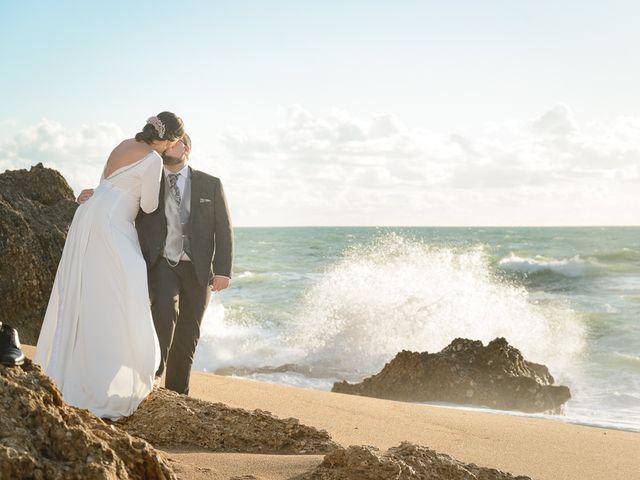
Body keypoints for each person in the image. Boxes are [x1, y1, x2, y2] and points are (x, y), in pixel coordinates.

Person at [35, 112, 185, 419]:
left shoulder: (123, 144)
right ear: (169, 139)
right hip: (112, 225)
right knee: (123, 293)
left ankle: (83, 371)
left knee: (90, 292)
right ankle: (105, 377)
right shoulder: (153, 161)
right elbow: (148, 206)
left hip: (89, 213)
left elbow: (105, 183)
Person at [77, 132, 233, 395]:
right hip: (163, 264)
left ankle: (177, 393)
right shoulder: (148, 180)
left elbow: (224, 229)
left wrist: (223, 271)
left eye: (178, 141)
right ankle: (154, 378)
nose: (172, 145)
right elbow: (118, 197)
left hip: (199, 269)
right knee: (163, 315)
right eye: (169, 141)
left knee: (189, 332)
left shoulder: (210, 184)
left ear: (188, 149)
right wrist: (91, 196)